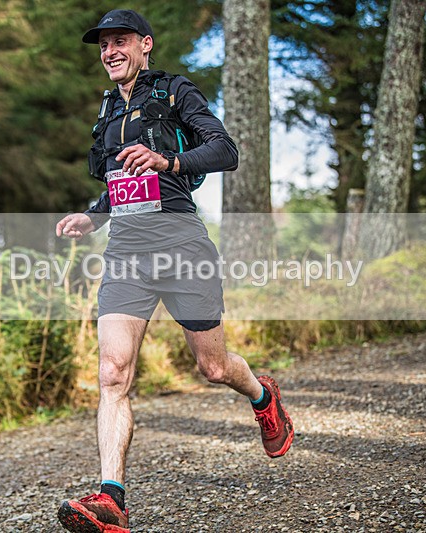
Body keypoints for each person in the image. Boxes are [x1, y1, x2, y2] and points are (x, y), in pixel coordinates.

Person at [55, 9, 294, 532]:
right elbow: (119, 183)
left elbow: (225, 151)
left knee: (212, 367)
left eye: (120, 41)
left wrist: (169, 163)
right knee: (113, 372)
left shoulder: (173, 92)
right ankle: (111, 498)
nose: (110, 51)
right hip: (127, 252)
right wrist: (92, 216)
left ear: (146, 44)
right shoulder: (106, 111)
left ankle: (261, 394)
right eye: (103, 45)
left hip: (180, 243)